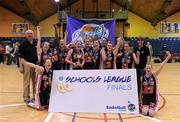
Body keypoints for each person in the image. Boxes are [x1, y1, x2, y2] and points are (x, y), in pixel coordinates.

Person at [140, 51, 171, 117]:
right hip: (145, 98)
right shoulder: (142, 77)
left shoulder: (154, 75)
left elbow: (161, 66)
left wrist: (167, 58)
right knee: (145, 113)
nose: (148, 69)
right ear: (145, 69)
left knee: (151, 114)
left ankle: (152, 107)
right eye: (147, 68)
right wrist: (140, 100)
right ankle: (146, 107)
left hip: (153, 97)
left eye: (149, 68)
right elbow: (141, 90)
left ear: (151, 69)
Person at [19, 29, 38, 103]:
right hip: (26, 64)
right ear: (25, 35)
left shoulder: (35, 43)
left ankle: (34, 96)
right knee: (26, 81)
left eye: (31, 33)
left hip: (35, 65)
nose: (30, 35)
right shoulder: (22, 44)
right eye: (28, 33)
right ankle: (26, 97)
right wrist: (21, 66)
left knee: (35, 82)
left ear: (33, 35)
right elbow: (20, 57)